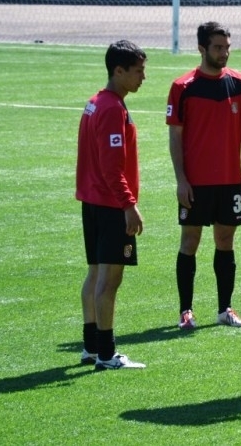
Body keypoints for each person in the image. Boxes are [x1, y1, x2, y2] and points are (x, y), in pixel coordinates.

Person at [166, 22, 241, 331]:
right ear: (202, 48)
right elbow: (175, 137)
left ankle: (224, 309)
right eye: (218, 47)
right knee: (190, 241)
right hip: (195, 182)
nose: (224, 53)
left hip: (229, 181)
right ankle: (185, 311)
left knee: (225, 241)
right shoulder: (183, 87)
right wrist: (181, 180)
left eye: (227, 47)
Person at [76, 40, 148, 370]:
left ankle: (91, 347)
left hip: (92, 202)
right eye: (138, 71)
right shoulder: (111, 109)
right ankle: (106, 354)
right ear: (118, 71)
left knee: (95, 274)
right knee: (109, 280)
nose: (143, 77)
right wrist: (128, 205)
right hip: (110, 206)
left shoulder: (96, 102)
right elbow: (111, 167)